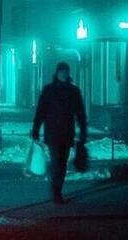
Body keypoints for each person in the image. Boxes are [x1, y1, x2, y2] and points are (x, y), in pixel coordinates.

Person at [31, 61, 88, 204]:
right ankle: (56, 192)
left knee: (62, 163)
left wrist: (83, 131)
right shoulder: (49, 90)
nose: (64, 74)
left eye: (66, 71)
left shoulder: (73, 91)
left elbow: (80, 113)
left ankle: (57, 190)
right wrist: (36, 129)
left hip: (66, 133)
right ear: (57, 73)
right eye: (62, 71)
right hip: (53, 133)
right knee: (57, 162)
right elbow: (41, 111)